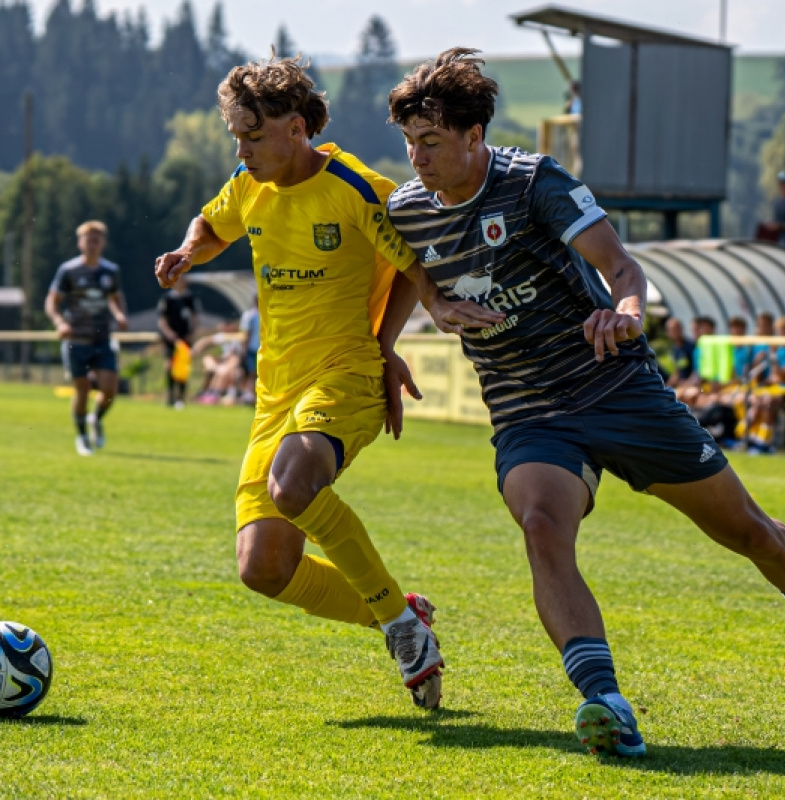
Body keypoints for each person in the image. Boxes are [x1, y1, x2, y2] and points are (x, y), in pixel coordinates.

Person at [383, 47, 785, 756]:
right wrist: (397, 336)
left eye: (431, 143)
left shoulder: (534, 182)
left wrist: (627, 309)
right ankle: (606, 704)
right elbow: (404, 265)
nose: (417, 160)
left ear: (473, 136)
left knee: (749, 533)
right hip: (526, 410)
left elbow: (621, 266)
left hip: (614, 385)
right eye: (409, 144)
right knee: (542, 525)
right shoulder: (407, 209)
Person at [154, 53, 498, 709]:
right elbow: (213, 222)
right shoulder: (248, 183)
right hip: (274, 395)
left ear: (294, 128)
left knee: (294, 484)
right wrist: (187, 250)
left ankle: (401, 630)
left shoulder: (354, 186)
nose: (243, 147)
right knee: (265, 569)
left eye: (253, 135)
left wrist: (391, 341)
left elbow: (411, 261)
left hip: (344, 377)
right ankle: (400, 611)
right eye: (236, 135)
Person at [45, 220, 128, 456]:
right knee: (82, 389)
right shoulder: (68, 270)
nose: (92, 244)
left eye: (96, 239)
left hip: (102, 340)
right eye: (88, 239)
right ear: (80, 242)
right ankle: (82, 436)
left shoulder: (110, 271)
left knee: (109, 391)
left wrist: (120, 315)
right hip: (76, 340)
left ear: (103, 243)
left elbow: (115, 297)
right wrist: (60, 322)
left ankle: (96, 419)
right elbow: (52, 302)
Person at [156, 273, 198, 408]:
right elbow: (162, 320)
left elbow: (195, 317)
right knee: (170, 366)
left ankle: (181, 398)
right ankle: (170, 396)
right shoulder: (167, 299)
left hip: (184, 338)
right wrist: (169, 334)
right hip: (172, 339)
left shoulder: (190, 298)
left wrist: (192, 333)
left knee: (183, 368)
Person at [239, 293, 260, 405]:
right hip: (252, 349)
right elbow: (246, 334)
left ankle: (255, 397)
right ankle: (251, 397)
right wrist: (244, 349)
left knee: (259, 374)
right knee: (252, 373)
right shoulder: (250, 316)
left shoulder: (267, 314)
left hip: (263, 349)